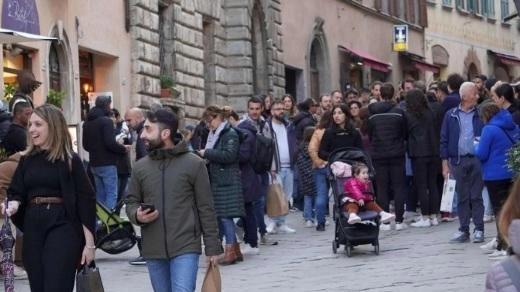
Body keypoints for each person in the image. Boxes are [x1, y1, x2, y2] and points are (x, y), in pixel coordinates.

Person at [125, 109, 222, 292]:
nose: (142, 134)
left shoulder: (194, 164)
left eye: (148, 129)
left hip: (186, 246)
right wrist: (136, 215)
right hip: (153, 248)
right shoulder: (140, 167)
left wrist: (212, 247)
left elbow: (206, 208)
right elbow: (131, 201)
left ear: (165, 133)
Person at [3, 104, 96, 292]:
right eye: (30, 125)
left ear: (53, 126)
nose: (31, 129)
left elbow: (86, 201)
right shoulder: (26, 159)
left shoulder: (70, 159)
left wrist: (90, 245)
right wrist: (12, 205)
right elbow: (16, 191)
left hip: (63, 225)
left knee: (57, 286)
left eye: (38, 124)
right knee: (38, 286)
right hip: (33, 227)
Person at [199, 106, 245, 265]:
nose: (208, 124)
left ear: (218, 117)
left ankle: (230, 252)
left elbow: (229, 155)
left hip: (227, 181)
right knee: (224, 216)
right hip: (220, 180)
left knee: (225, 217)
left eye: (209, 120)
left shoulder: (229, 133)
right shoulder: (216, 133)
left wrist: (207, 153)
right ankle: (235, 250)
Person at [441, 81, 485, 243]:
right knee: (462, 197)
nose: (477, 96)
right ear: (465, 96)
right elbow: (444, 140)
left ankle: (479, 229)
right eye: (475, 93)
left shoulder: (480, 113)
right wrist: (445, 164)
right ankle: (464, 229)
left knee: (476, 196)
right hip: (458, 160)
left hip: (476, 160)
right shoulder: (451, 115)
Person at [475, 103, 519, 259]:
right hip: (511, 173)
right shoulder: (512, 125)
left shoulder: (489, 129)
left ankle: (504, 246)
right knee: (510, 211)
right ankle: (508, 244)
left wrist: (474, 146)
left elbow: (482, 154)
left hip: (494, 175)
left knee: (499, 211)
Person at [367, 83, 408, 231]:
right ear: (393, 94)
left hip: (378, 155)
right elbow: (404, 133)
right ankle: (399, 220)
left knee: (382, 188)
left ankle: (384, 221)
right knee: (398, 187)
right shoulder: (399, 113)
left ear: (380, 95)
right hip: (397, 153)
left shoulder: (373, 115)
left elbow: (370, 135)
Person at [318, 104, 363, 230]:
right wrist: (333, 157)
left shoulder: (353, 132)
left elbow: (360, 151)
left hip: (352, 168)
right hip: (336, 169)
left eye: (340, 113)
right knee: (340, 195)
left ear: (346, 115)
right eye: (334, 113)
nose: (336, 116)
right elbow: (321, 152)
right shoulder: (329, 133)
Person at [82, 95, 128, 210]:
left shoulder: (87, 123)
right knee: (111, 194)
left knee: (100, 195)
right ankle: (109, 223)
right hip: (107, 163)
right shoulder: (106, 122)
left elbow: (85, 145)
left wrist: (96, 150)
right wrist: (123, 149)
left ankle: (101, 222)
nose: (110, 107)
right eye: (109, 104)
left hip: (94, 163)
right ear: (106, 105)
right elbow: (110, 143)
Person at [404, 89, 441, 227]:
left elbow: (405, 134)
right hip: (433, 151)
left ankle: (425, 217)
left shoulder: (408, 115)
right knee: (433, 185)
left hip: (417, 153)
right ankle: (434, 216)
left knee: (421, 186)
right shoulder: (431, 113)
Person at [265, 99, 297, 234]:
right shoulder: (267, 126)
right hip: (275, 166)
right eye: (277, 109)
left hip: (289, 165)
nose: (281, 111)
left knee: (286, 195)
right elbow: (266, 147)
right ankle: (272, 221)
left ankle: (282, 222)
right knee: (275, 195)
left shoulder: (289, 125)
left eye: (282, 109)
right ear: (272, 112)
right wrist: (270, 165)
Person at [296, 126, 317, 227]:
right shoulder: (313, 148)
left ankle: (307, 217)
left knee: (307, 196)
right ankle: (315, 216)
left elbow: (299, 163)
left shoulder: (300, 148)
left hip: (304, 177)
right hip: (314, 174)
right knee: (316, 196)